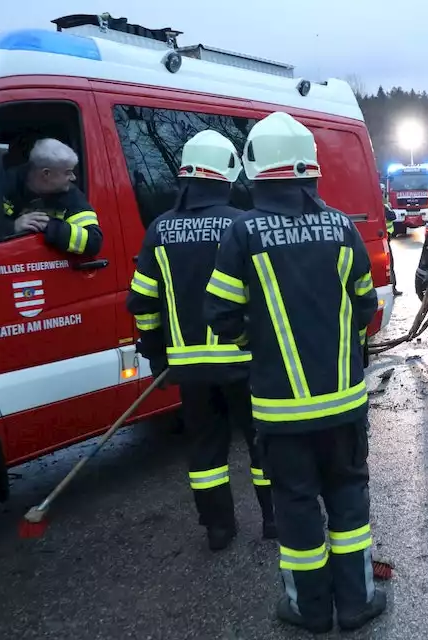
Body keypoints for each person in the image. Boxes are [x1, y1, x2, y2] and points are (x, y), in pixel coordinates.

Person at [205, 111, 386, 634]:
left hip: (280, 410)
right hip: (344, 402)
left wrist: (256, 344)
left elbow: (220, 313)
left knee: (296, 507)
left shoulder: (242, 233)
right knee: (349, 501)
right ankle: (355, 605)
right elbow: (365, 305)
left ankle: (309, 610)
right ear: (310, 167)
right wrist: (344, 348)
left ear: (256, 167)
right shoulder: (341, 227)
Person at [125, 130, 275, 552]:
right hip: (244, 361)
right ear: (228, 173)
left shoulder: (159, 229)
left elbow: (142, 300)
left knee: (206, 451)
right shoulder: (240, 225)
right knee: (261, 441)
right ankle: (273, 520)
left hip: (189, 367)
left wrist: (156, 354)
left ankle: (218, 529)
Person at [0, 138, 103, 256]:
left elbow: (93, 242)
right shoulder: (3, 185)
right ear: (46, 173)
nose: (73, 178)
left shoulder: (71, 194)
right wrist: (12, 227)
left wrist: (51, 226)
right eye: (68, 172)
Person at [384, 200, 403, 296]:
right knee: (390, 264)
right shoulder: (383, 206)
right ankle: (393, 288)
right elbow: (392, 216)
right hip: (384, 239)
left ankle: (392, 288)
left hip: (384, 238)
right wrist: (388, 207)